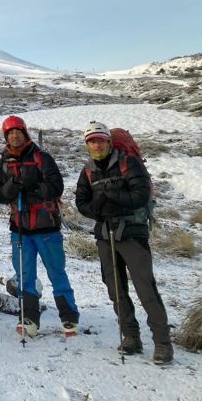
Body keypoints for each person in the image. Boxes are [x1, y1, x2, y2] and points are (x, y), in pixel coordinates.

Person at [75, 121, 173, 364]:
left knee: (145, 288)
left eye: (100, 140)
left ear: (108, 142)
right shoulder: (88, 170)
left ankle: (162, 344)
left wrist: (112, 197)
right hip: (105, 234)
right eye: (91, 142)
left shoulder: (129, 163)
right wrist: (96, 208)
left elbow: (140, 195)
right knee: (115, 288)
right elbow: (81, 202)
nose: (96, 145)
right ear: (87, 145)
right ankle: (131, 337)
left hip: (132, 234)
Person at [0, 115, 79, 338]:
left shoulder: (42, 158)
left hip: (46, 227)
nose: (14, 136)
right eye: (10, 133)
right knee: (24, 274)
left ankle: (69, 317)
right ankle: (29, 317)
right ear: (6, 137)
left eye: (17, 132)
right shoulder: (2, 163)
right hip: (19, 228)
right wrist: (14, 184)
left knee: (56, 272)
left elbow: (56, 186)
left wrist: (33, 187)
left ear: (25, 133)